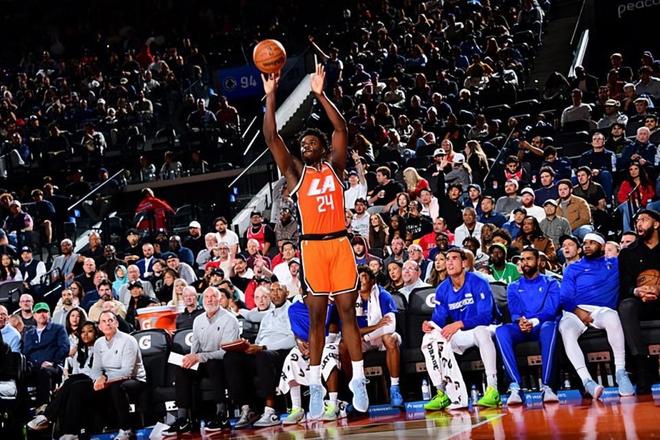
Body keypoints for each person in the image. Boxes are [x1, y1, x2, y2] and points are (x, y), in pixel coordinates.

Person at [262, 63, 369, 417]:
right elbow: (272, 138)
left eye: (311, 142)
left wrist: (321, 95)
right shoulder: (296, 173)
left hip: (340, 244)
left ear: (323, 147)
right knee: (317, 316)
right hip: (312, 248)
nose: (305, 145)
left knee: (348, 312)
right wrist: (271, 97)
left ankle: (358, 380)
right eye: (303, 143)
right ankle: (314, 384)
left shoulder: (335, 167)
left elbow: (341, 128)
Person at [558, 233, 634, 400]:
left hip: (601, 310)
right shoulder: (573, 268)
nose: (587, 245)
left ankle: (621, 372)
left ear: (602, 246)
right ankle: (587, 381)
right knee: (565, 328)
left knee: (612, 316)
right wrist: (579, 313)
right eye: (585, 242)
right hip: (575, 311)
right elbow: (564, 297)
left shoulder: (615, 263)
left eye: (592, 242)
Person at [421, 248, 500, 410]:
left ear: (464, 263)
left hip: (488, 328)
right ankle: (442, 392)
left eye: (454, 258)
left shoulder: (479, 281)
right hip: (462, 333)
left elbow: (486, 316)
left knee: (481, 332)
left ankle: (493, 389)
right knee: (430, 338)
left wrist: (459, 324)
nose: (449, 262)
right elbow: (439, 319)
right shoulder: (442, 289)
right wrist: (430, 325)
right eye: (447, 259)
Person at [163, 287, 240, 435]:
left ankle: (221, 415)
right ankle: (183, 419)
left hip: (222, 361)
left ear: (219, 299)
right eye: (207, 297)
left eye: (213, 296)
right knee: (182, 368)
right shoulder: (198, 320)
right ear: (202, 300)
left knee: (213, 364)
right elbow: (195, 348)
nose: (210, 300)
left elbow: (226, 352)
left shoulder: (230, 319)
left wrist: (199, 357)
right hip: (202, 361)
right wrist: (190, 359)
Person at [495, 248, 561, 405]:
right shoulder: (513, 286)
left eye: (529, 259)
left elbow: (551, 310)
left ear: (538, 261)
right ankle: (515, 386)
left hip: (542, 324)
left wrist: (534, 321)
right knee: (501, 331)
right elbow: (515, 311)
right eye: (522, 259)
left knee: (549, 326)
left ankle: (547, 386)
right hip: (522, 326)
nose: (525, 263)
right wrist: (520, 321)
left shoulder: (552, 283)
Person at [224, 283, 295, 428]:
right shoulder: (267, 316)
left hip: (281, 352)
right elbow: (258, 340)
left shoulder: (292, 311)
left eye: (279, 290)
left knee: (263, 356)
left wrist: (263, 347)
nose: (275, 293)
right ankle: (248, 408)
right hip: (262, 351)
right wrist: (248, 347)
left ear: (287, 293)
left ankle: (270, 411)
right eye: (272, 290)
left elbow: (293, 339)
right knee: (232, 358)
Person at [27, 321, 101, 437]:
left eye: (90, 331)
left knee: (74, 383)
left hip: (95, 383)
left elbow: (96, 373)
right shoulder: (79, 352)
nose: (85, 335)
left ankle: (47, 416)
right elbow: (75, 373)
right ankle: (67, 432)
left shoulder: (101, 349)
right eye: (83, 332)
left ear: (96, 333)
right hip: (78, 384)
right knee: (70, 386)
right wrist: (63, 386)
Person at [278, 298, 343, 424]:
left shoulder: (330, 304)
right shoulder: (295, 308)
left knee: (328, 354)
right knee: (292, 357)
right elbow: (296, 333)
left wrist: (315, 347)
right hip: (308, 344)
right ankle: (297, 408)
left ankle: (333, 404)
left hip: (329, 342)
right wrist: (299, 342)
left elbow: (333, 333)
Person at [617, 209, 660, 394]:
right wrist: (637, 291)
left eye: (644, 220)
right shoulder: (628, 253)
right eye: (637, 221)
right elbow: (624, 285)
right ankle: (642, 368)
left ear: (656, 224)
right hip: (640, 301)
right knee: (626, 306)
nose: (639, 224)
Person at [349, 266, 402, 407]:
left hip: (379, 337)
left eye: (364, 277)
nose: (360, 281)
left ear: (372, 281)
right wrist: (375, 327)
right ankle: (353, 392)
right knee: (345, 345)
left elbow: (390, 326)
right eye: (357, 278)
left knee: (390, 339)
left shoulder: (383, 295)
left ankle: (395, 388)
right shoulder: (350, 299)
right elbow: (350, 331)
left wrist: (366, 335)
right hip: (364, 339)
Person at [91, 310, 147, 440]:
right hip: (109, 379)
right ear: (99, 326)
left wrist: (105, 378)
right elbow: (96, 368)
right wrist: (96, 380)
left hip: (135, 379)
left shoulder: (128, 340)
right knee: (80, 386)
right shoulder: (98, 343)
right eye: (104, 321)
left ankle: (126, 429)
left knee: (117, 387)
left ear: (116, 323)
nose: (107, 324)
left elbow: (127, 371)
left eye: (110, 320)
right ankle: (76, 431)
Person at [22, 302, 69, 408]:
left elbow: (64, 348)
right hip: (33, 367)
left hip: (53, 366)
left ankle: (43, 406)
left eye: (45, 311)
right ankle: (25, 409)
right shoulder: (29, 333)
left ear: (49, 314)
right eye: (39, 312)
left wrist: (53, 362)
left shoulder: (58, 329)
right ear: (34, 315)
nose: (42, 314)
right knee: (19, 374)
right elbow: (26, 352)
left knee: (44, 372)